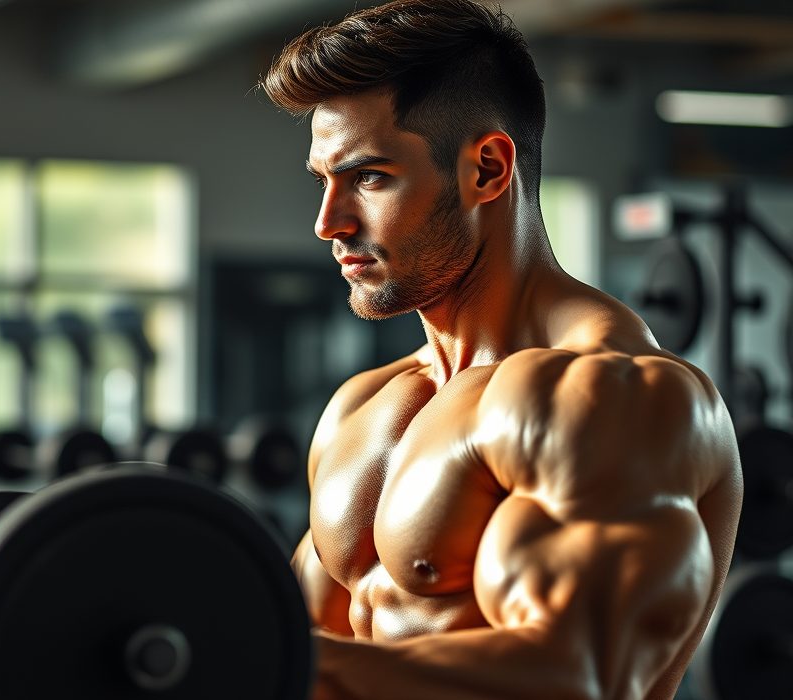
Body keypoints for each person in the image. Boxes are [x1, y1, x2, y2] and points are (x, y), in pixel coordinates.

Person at [259, 1, 743, 698]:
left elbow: (580, 677)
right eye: (323, 180)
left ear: (486, 170)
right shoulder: (360, 410)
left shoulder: (610, 396)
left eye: (368, 177)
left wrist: (251, 655)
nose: (327, 222)